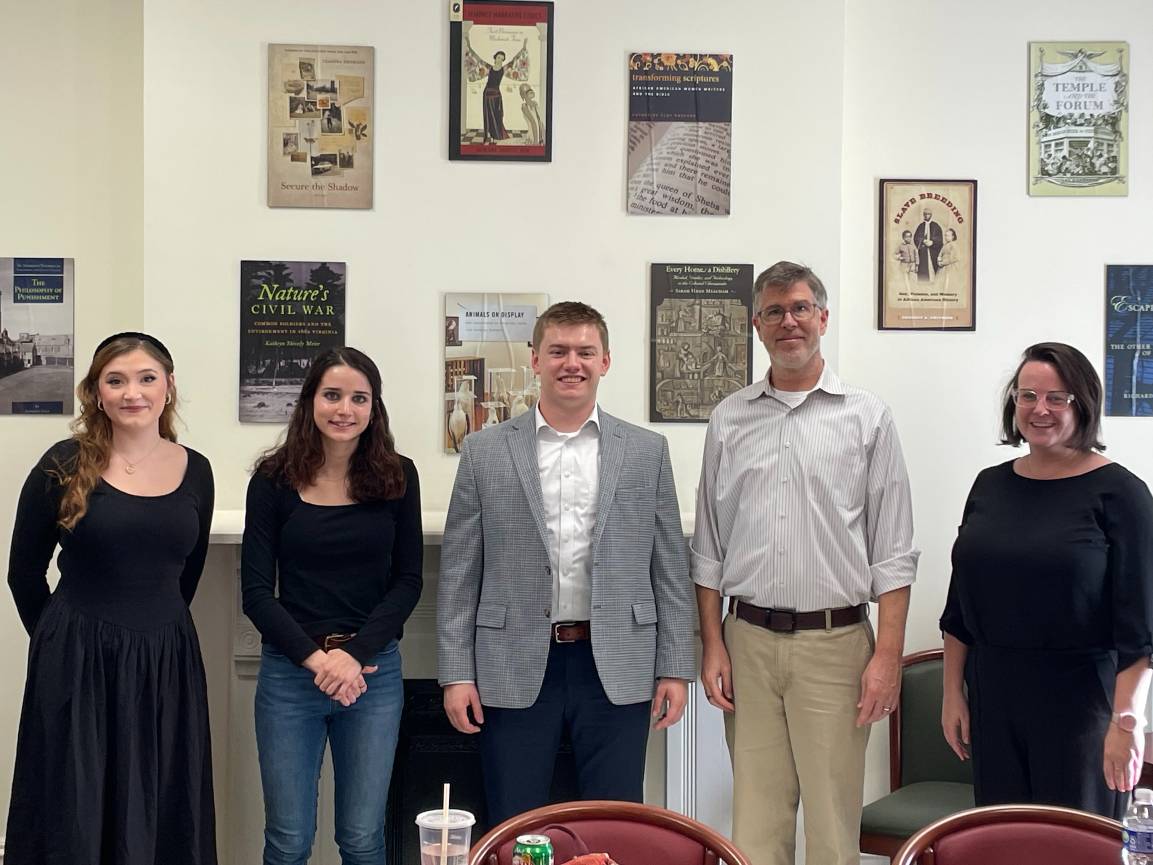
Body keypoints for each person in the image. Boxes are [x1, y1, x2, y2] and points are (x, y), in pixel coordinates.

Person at [692, 261, 918, 865]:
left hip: (837, 645)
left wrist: (887, 658)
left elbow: (894, 553)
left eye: (798, 308)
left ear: (822, 317)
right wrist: (713, 647)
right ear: (756, 327)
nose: (787, 321)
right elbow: (709, 550)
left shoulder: (868, 417)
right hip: (748, 643)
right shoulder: (728, 419)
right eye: (773, 312)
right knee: (756, 826)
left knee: (832, 825)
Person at [438, 301, 695, 824]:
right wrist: (455, 673)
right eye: (557, 351)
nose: (570, 363)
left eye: (584, 351)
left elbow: (669, 564)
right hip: (511, 663)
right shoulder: (485, 452)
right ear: (535, 359)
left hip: (618, 664)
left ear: (606, 361)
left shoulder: (647, 450)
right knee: (515, 821)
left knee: (615, 820)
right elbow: (460, 573)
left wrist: (674, 666)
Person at [6, 331, 216, 864]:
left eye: (147, 379)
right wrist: (60, 642)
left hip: (166, 663)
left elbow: (186, 574)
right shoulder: (62, 463)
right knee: (75, 809)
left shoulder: (198, 470)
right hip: (76, 660)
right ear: (96, 392)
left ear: (168, 387)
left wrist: (152, 629)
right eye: (115, 380)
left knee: (160, 803)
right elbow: (23, 573)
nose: (132, 393)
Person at [940, 342, 1153, 819]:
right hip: (993, 697)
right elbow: (960, 607)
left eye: (1058, 398)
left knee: (1072, 845)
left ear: (1084, 404)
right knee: (1003, 841)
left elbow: (1140, 627)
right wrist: (953, 692)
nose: (1040, 409)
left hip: (1081, 707)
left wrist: (1128, 721)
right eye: (1028, 395)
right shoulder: (989, 486)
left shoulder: (1122, 494)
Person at [242, 346, 423, 865]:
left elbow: (408, 581)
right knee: (288, 839)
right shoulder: (273, 481)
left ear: (374, 408)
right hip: (290, 675)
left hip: (374, 674)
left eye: (358, 398)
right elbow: (256, 592)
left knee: (363, 837)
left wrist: (353, 655)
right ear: (310, 402)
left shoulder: (398, 477)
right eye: (333, 395)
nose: (345, 409)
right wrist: (318, 660)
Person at [913, 207, 944, 281]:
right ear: (923, 215)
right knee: (923, 269)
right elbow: (916, 238)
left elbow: (940, 240)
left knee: (934, 268)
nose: (927, 216)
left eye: (928, 214)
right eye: (925, 214)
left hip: (933, 251)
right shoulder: (920, 226)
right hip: (923, 252)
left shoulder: (936, 226)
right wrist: (923, 241)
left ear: (931, 215)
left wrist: (932, 242)